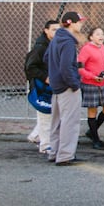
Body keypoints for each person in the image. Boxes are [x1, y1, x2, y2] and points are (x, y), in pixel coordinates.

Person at [44, 11, 86, 166]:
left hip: (56, 86)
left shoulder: (56, 38)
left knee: (56, 122)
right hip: (67, 87)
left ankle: (54, 152)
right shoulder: (68, 42)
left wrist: (54, 73)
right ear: (72, 23)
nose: (81, 24)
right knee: (70, 122)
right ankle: (66, 156)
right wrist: (75, 83)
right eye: (79, 21)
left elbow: (47, 58)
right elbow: (66, 67)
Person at [24, 19, 59, 154]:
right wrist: (45, 78)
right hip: (42, 86)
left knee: (49, 113)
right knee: (45, 115)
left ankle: (35, 135)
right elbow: (30, 67)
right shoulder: (40, 47)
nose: (56, 32)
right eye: (53, 29)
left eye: (58, 29)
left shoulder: (53, 44)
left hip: (51, 85)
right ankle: (45, 145)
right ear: (46, 30)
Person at [78, 27, 104, 150]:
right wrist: (92, 77)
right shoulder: (86, 49)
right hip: (90, 84)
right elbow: (79, 68)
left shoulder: (102, 47)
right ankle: (95, 140)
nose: (101, 36)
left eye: (102, 34)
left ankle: (91, 131)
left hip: (103, 83)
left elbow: (103, 65)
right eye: (98, 34)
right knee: (92, 111)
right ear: (91, 37)